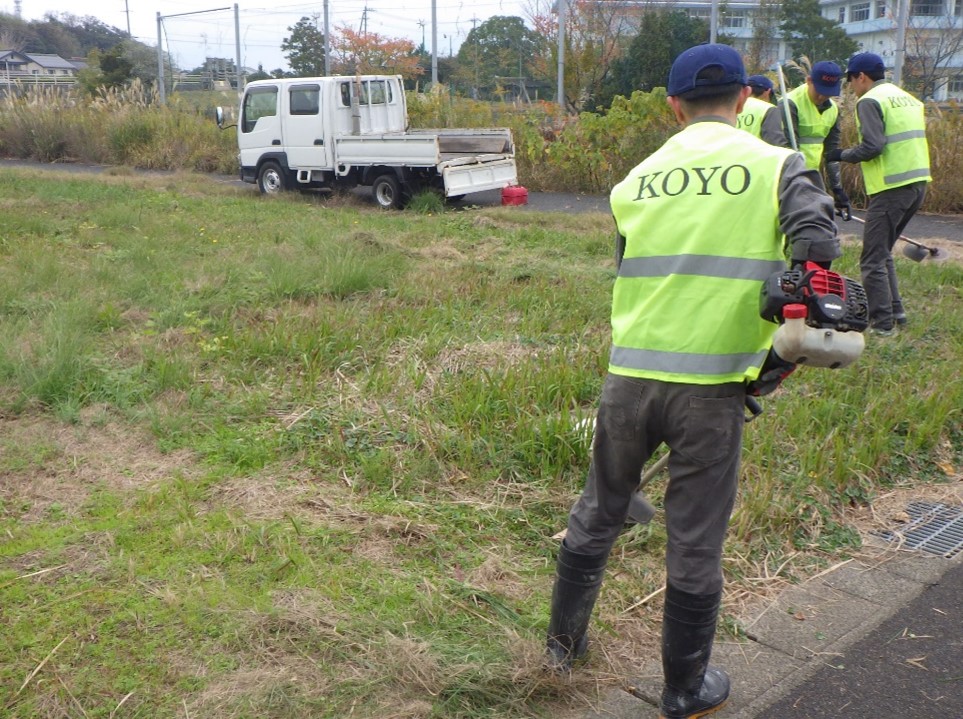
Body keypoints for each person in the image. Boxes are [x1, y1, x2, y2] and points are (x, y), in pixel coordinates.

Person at [545, 44, 841, 719]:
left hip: (627, 378)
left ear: (672, 106)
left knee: (598, 509)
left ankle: (560, 648)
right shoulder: (776, 165)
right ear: (743, 99)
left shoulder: (635, 179)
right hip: (710, 389)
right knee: (694, 537)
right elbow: (817, 245)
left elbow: (633, 266)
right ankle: (683, 689)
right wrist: (784, 337)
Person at [824, 52, 931, 334]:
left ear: (862, 77)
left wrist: (840, 154)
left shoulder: (870, 100)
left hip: (892, 187)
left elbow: (873, 146)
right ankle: (897, 313)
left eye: (851, 81)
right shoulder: (906, 97)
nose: (851, 87)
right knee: (882, 253)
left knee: (871, 259)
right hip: (917, 183)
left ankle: (882, 325)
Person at [779, 61, 851, 218]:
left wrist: (837, 189)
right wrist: (801, 184)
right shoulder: (789, 104)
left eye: (828, 92)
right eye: (819, 90)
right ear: (809, 81)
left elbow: (831, 152)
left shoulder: (833, 109)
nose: (822, 96)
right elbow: (788, 149)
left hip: (811, 176)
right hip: (788, 178)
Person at [737, 74, 789, 147]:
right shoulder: (769, 109)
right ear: (768, 92)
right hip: (759, 156)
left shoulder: (733, 107)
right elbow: (775, 143)